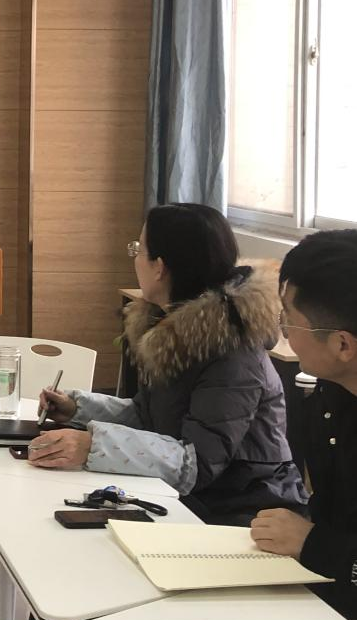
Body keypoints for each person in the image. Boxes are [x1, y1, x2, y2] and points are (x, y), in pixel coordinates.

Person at [30, 203, 308, 525]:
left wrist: (94, 445)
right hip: (201, 498)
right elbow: (150, 416)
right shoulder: (172, 329)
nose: (134, 258)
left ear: (159, 267)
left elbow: (197, 464)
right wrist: (78, 409)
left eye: (138, 250)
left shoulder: (233, 352)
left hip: (247, 511)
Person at [251, 230, 357, 620]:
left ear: (342, 345)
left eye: (290, 321)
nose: (285, 334)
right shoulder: (333, 395)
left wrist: (311, 542)